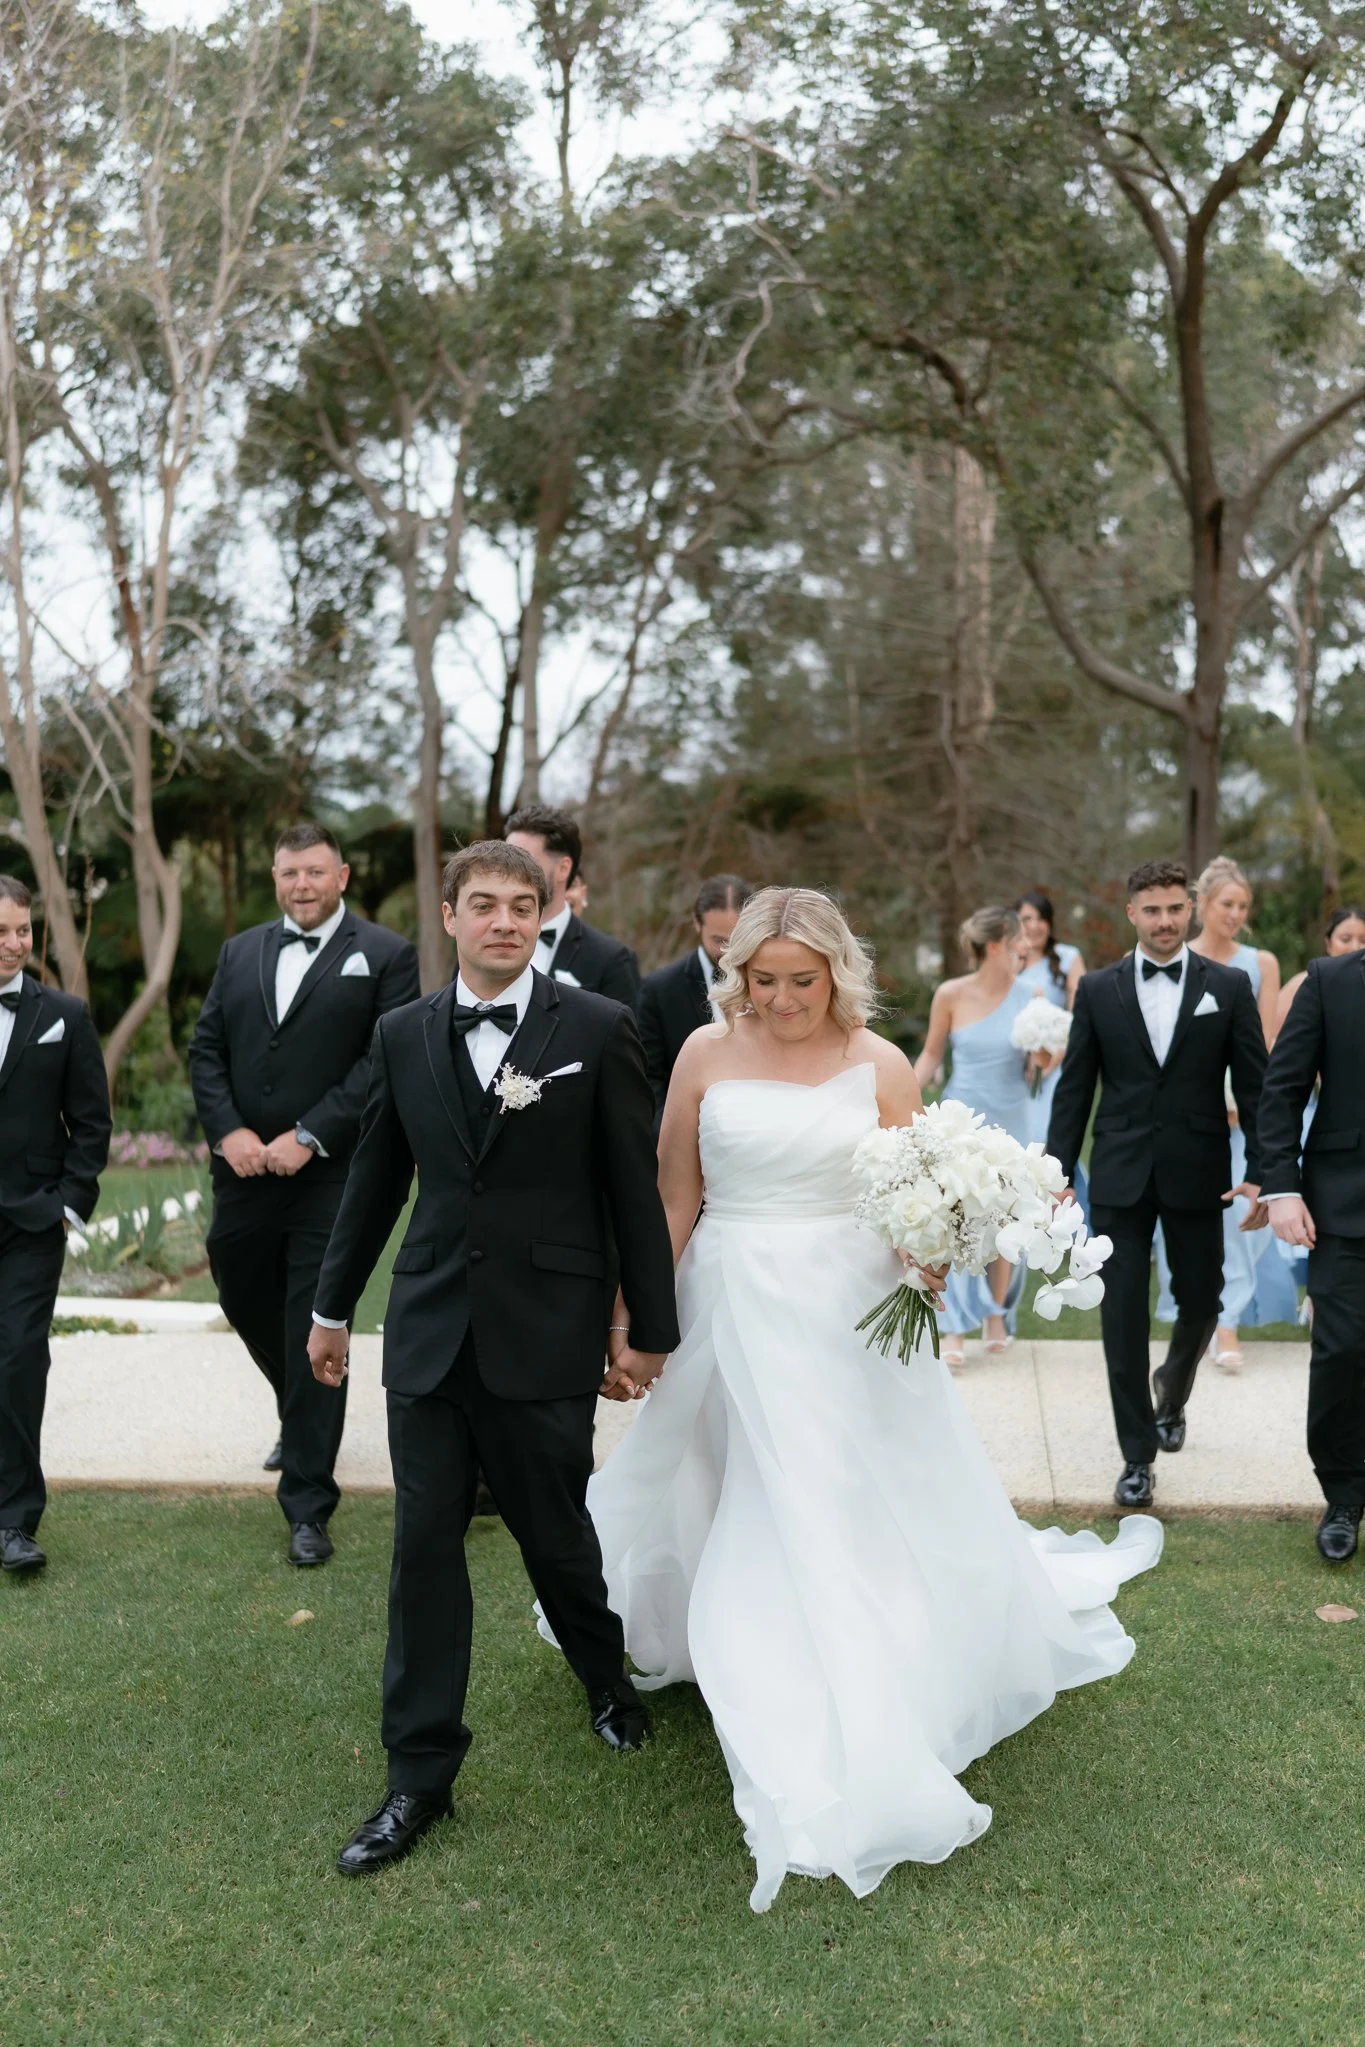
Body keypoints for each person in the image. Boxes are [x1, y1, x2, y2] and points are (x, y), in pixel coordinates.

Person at [581, 885, 1161, 1912]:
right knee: (734, 1470)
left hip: (851, 1305)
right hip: (730, 1292)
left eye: (802, 981)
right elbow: (677, 1192)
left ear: (836, 972)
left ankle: (854, 1657)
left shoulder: (879, 1063)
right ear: (740, 975)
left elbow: (914, 1191)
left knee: (837, 1482)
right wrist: (639, 1318)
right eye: (764, 981)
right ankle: (740, 1628)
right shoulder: (705, 1056)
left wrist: (927, 1256)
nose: (783, 999)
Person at [307, 840, 678, 1877]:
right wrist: (332, 1308)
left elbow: (632, 1193)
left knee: (555, 1533)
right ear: (451, 916)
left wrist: (647, 1328)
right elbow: (375, 1181)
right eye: (486, 905)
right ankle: (416, 1778)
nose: (505, 920)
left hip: (545, 1331)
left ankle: (605, 1680)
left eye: (525, 904)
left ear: (546, 915)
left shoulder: (597, 1030)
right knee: (422, 1550)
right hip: (427, 1332)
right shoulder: (401, 1032)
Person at [188, 824, 420, 1567]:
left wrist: (311, 1133)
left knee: (315, 1314)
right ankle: (300, 1405)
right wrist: (228, 1132)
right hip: (244, 1170)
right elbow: (206, 1049)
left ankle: (307, 1505)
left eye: (315, 871)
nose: (301, 884)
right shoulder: (240, 951)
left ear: (341, 874)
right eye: (289, 872)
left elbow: (381, 1059)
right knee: (239, 1290)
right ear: (276, 875)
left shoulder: (386, 954)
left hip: (332, 1175)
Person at [1046, 859, 1267, 1508]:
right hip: (1119, 1171)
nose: (1164, 920)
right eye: (1152, 909)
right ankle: (1136, 1455)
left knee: (1202, 1300)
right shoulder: (1097, 990)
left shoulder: (1226, 986)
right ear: (1131, 913)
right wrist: (1059, 1172)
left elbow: (1253, 1087)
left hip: (1200, 1171)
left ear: (1189, 909)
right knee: (1120, 1314)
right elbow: (1074, 1086)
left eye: (1174, 908)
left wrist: (1262, 1171)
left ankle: (1172, 1388)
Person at [0, 875, 111, 1575]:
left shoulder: (64, 1014)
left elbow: (92, 1121)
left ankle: (16, 1522)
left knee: (16, 1357)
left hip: (32, 1221)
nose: (15, 943)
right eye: (1, 932)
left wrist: (69, 1203)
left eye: (21, 930)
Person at [1152, 857, 1284, 1371]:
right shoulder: (1174, 958)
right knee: (1185, 1222)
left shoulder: (1261, 963)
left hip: (1241, 1115)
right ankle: (1197, 1316)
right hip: (1185, 1119)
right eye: (1227, 903)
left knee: (1236, 1220)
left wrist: (1244, 1104)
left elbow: (1263, 1045)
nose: (1236, 913)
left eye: (1243, 906)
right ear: (1200, 905)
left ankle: (1226, 1325)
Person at [1260, 944, 1365, 1561]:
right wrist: (1281, 1188)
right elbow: (1283, 1089)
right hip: (1343, 1201)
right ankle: (1344, 1494)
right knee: (1342, 1347)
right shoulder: (1329, 980)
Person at [913, 907, 1035, 1366]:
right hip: (963, 1120)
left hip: (1014, 1118)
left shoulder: (1031, 995)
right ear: (998, 944)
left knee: (1006, 1219)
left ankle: (997, 1314)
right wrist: (903, 1094)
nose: (1026, 947)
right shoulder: (950, 994)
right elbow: (930, 1055)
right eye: (1020, 939)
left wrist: (1044, 1056)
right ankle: (955, 1325)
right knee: (958, 1219)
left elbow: (1040, 1069)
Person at [638, 874, 752, 1121]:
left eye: (737, 938)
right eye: (719, 940)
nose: (728, 950)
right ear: (696, 922)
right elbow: (651, 1079)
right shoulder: (659, 990)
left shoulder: (771, 981)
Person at [504, 805, 640, 1007]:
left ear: (563, 868)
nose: (509, 871)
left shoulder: (611, 961)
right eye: (505, 859)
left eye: (524, 861)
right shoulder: (480, 941)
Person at [1013, 890, 1086, 1158]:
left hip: (1057, 1061)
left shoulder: (1068, 957)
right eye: (1026, 919)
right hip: (1016, 1064)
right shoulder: (1010, 964)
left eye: (1040, 918)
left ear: (1050, 923)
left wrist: (1055, 1057)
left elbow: (1080, 1013)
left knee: (1046, 1137)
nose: (1034, 926)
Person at [1275, 906, 1365, 1035]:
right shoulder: (1305, 982)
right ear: (1328, 943)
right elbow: (1272, 1035)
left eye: (1363, 940)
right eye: (1345, 939)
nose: (1355, 947)